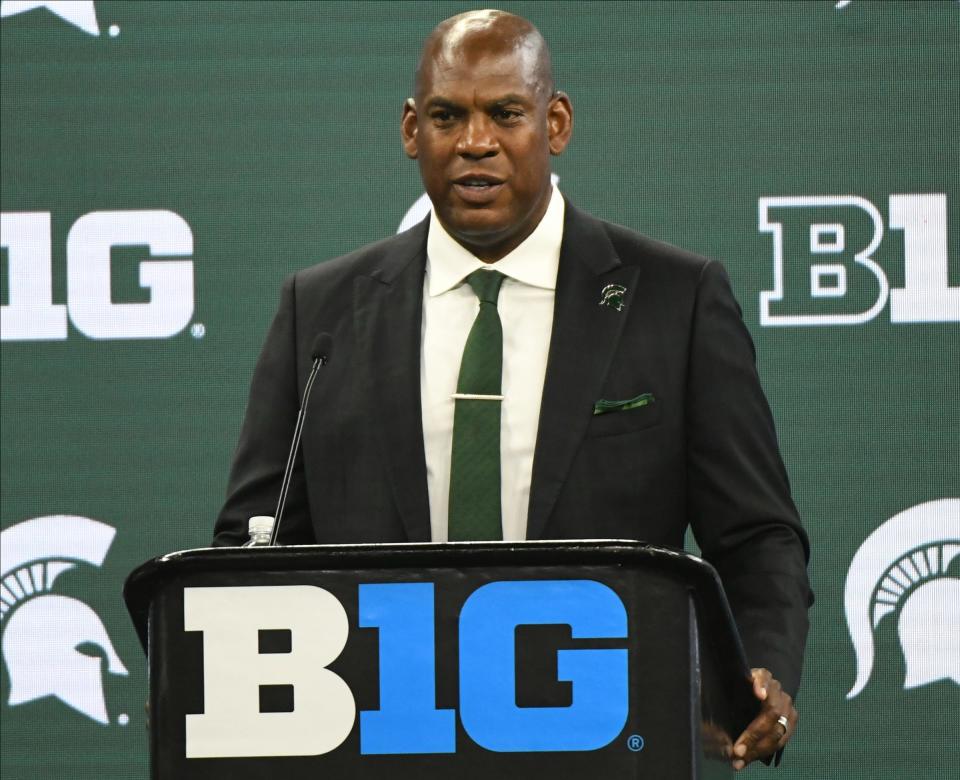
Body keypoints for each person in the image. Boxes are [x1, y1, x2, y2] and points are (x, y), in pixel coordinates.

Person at [213, 9, 812, 771]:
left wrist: (761, 671)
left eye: (505, 113)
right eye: (445, 116)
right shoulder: (321, 312)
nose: (475, 143)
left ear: (555, 123)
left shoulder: (676, 299)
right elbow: (251, 545)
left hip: (609, 739)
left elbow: (757, 536)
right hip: (379, 742)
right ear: (409, 131)